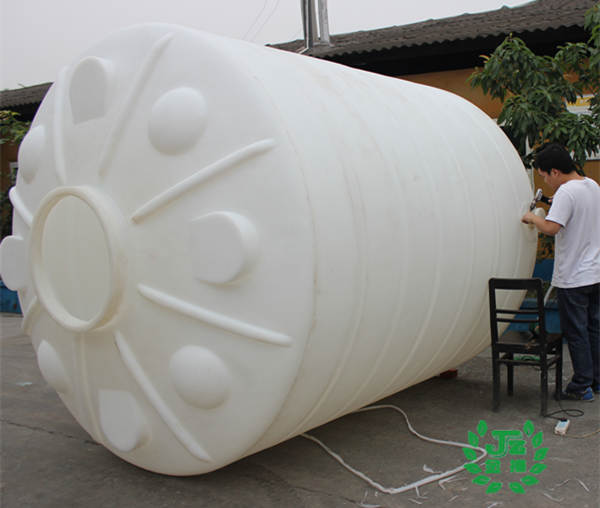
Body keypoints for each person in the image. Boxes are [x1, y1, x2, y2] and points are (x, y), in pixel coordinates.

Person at [521, 143, 600, 402]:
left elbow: (551, 227)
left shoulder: (566, 192)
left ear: (555, 171)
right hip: (595, 272)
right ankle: (596, 380)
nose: (545, 181)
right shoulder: (591, 185)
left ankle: (580, 387)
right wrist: (554, 203)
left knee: (576, 332)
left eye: (544, 175)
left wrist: (532, 218)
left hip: (574, 277)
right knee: (594, 329)